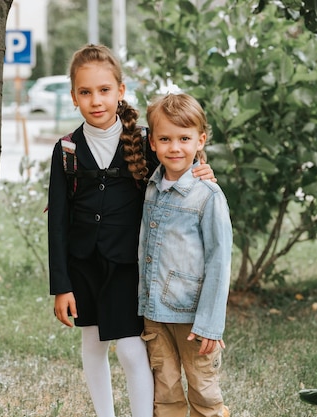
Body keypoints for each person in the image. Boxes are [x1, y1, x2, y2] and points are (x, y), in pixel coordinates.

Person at [47, 44, 215, 417]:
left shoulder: (144, 141)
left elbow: (179, 164)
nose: (96, 101)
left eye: (104, 90)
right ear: (74, 96)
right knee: (91, 345)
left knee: (128, 347)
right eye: (86, 92)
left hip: (128, 266)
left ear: (120, 91)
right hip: (82, 267)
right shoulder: (67, 151)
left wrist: (203, 169)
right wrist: (61, 285)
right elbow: (56, 222)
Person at [138, 93, 233, 417]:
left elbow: (219, 261)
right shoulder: (151, 187)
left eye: (184, 139)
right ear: (152, 142)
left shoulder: (207, 195)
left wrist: (210, 323)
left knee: (203, 389)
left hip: (193, 317)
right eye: (165, 139)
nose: (174, 147)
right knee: (164, 390)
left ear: (200, 140)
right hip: (155, 312)